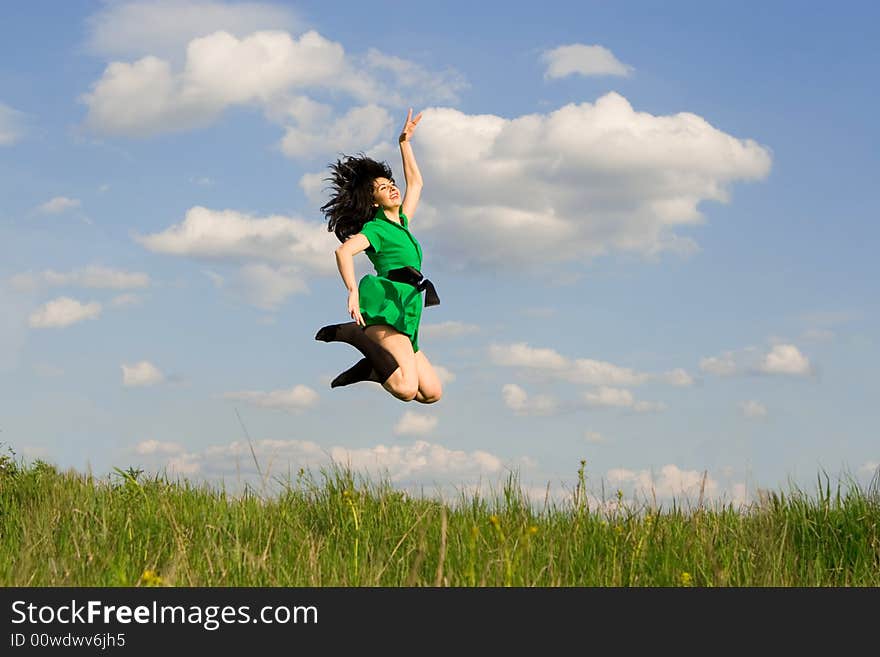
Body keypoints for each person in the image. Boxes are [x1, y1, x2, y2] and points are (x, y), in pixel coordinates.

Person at [315, 109, 442, 404]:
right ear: (374, 200)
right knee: (406, 389)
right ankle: (357, 335)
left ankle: (373, 367)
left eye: (391, 183)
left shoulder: (402, 224)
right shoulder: (376, 229)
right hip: (386, 309)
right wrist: (352, 291)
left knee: (431, 393)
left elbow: (417, 184)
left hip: (407, 311)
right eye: (383, 188)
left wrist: (405, 143)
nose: (393, 188)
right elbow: (343, 250)